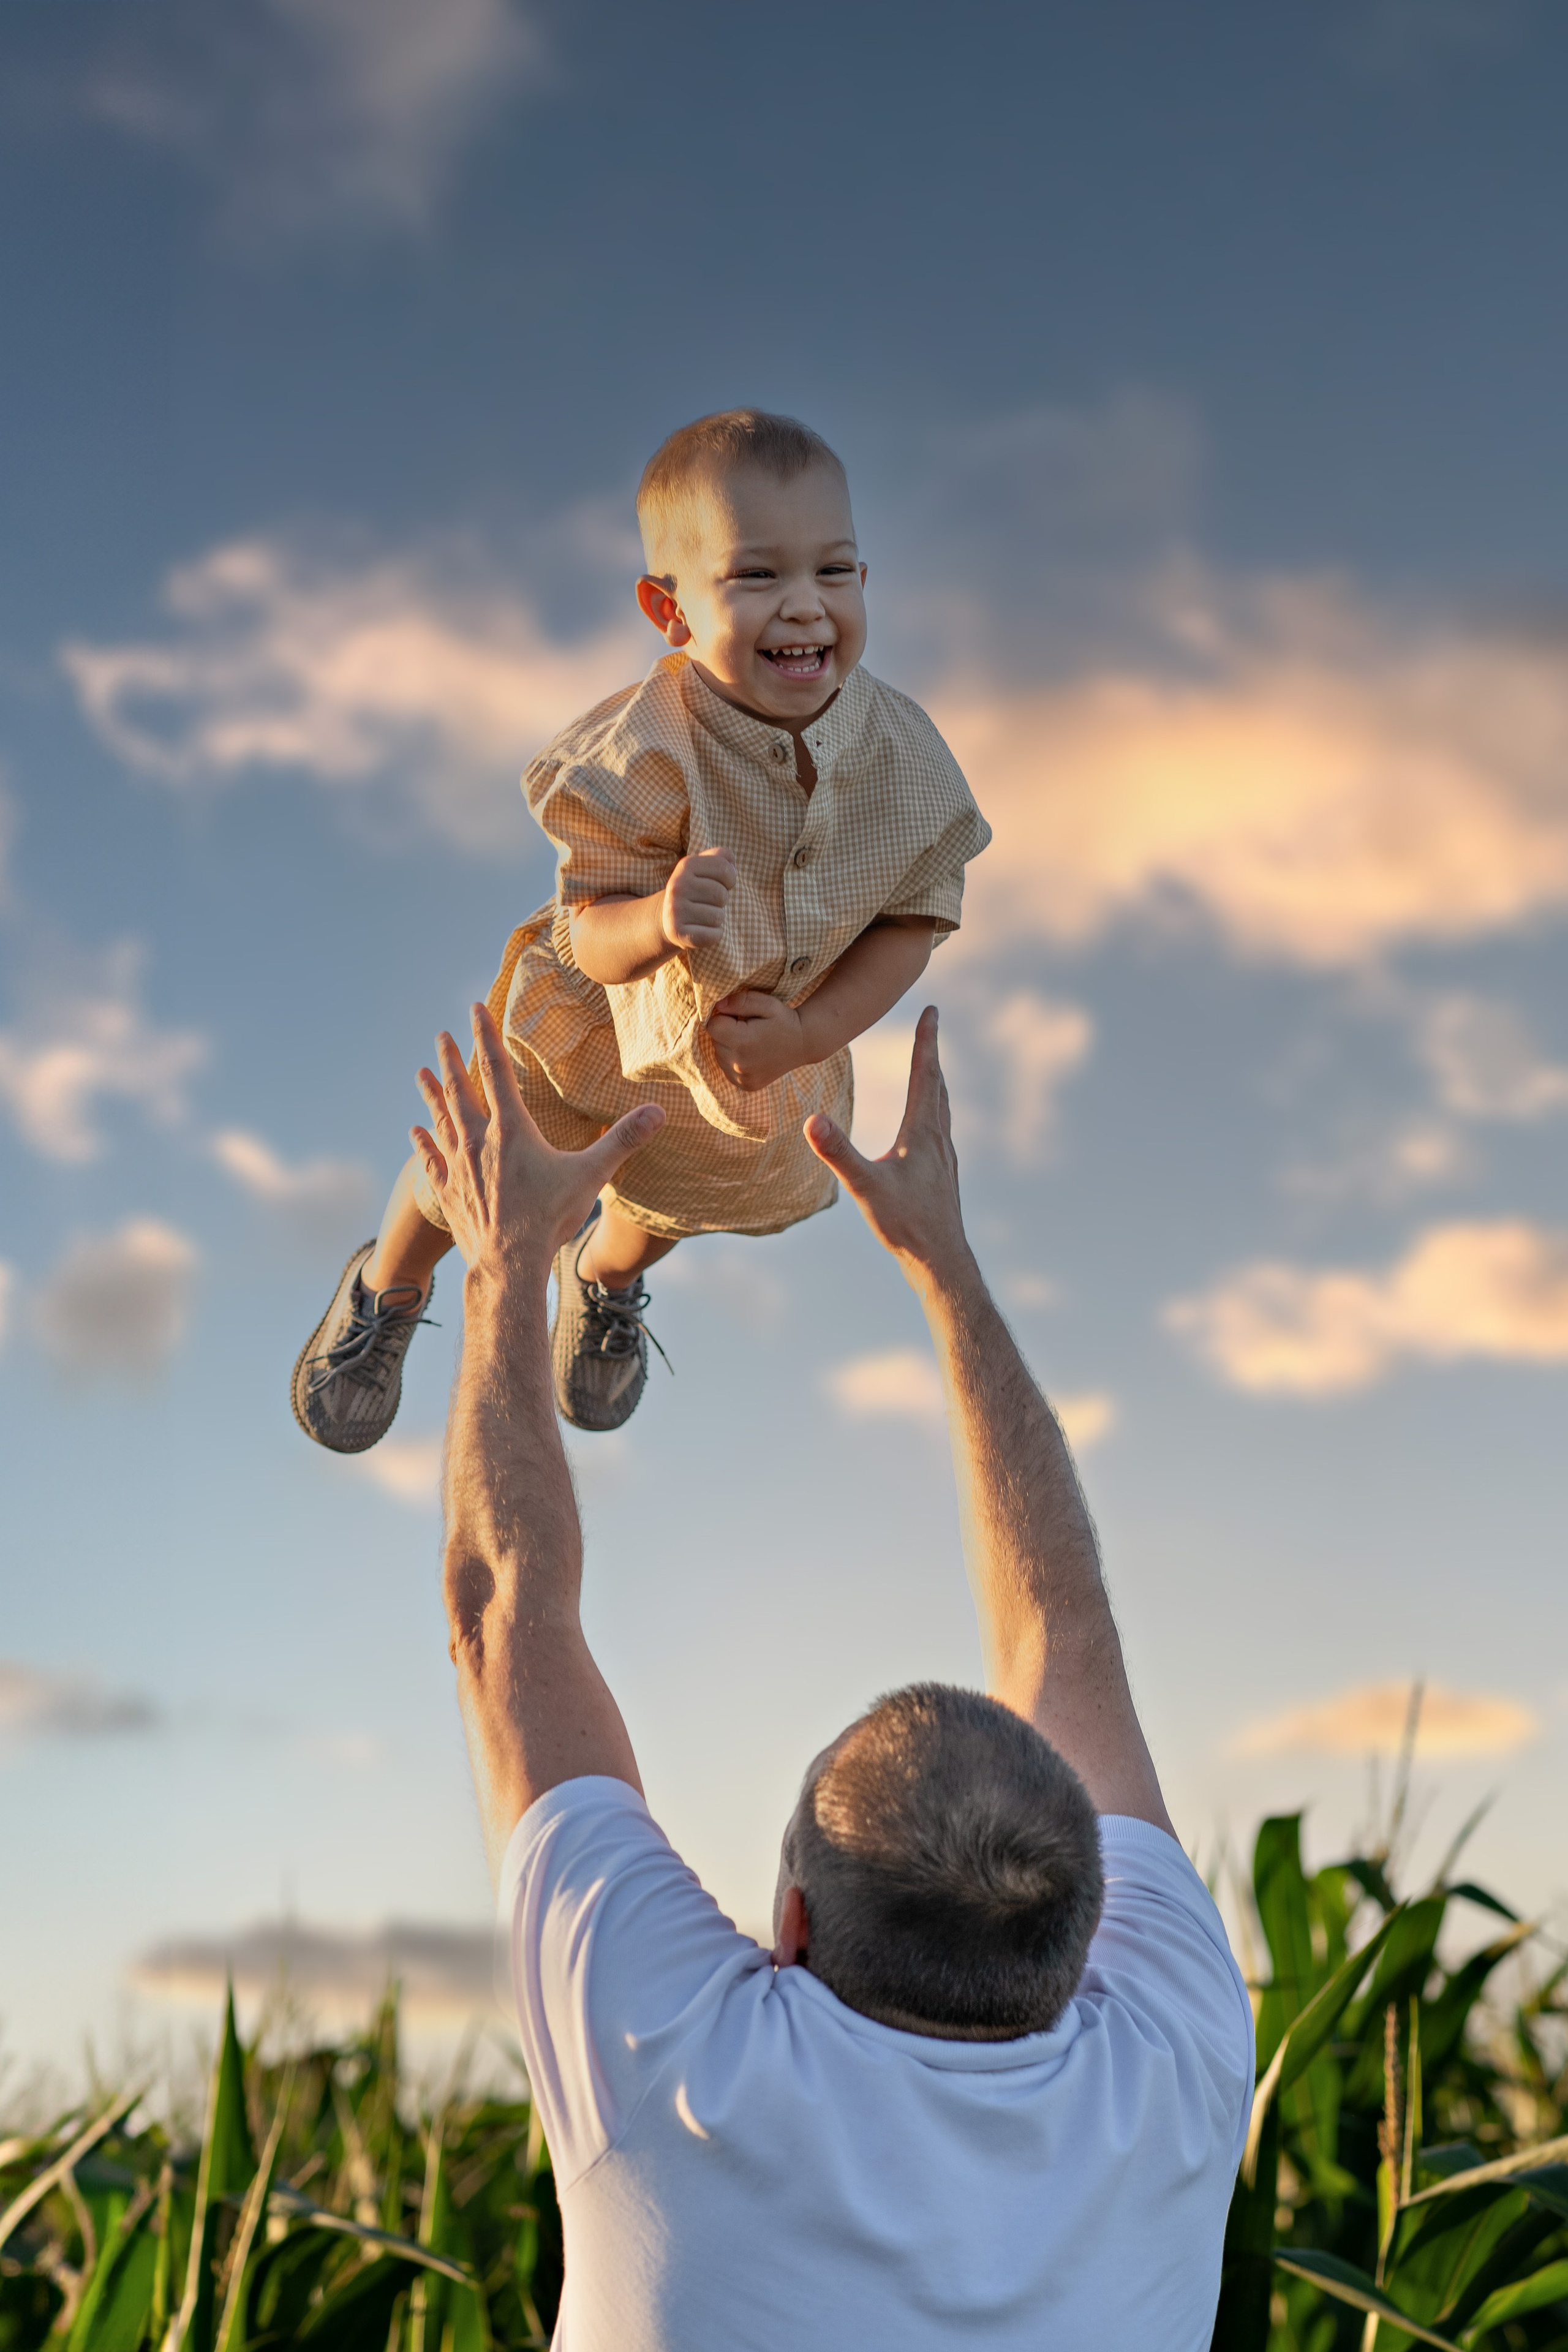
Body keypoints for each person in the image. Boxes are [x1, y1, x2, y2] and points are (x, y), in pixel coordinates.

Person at [415, 997, 1254, 2352]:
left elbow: (501, 1608)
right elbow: (502, 1624)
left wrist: (939, 1260)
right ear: (1088, 1926)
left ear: (789, 1926)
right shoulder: (1175, 2066)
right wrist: (512, 1261)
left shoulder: (682, 2077)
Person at [292, 408, 990, 1452]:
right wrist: (658, 923)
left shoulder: (905, 754)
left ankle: (606, 1280)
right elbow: (585, 935)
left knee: (681, 1193)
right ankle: (388, 1282)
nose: (807, 607)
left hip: (756, 1052)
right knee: (479, 1165)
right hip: (598, 1022)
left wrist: (809, 1036)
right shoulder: (644, 748)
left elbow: (913, 921)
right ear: (670, 610)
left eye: (837, 572)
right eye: (756, 578)